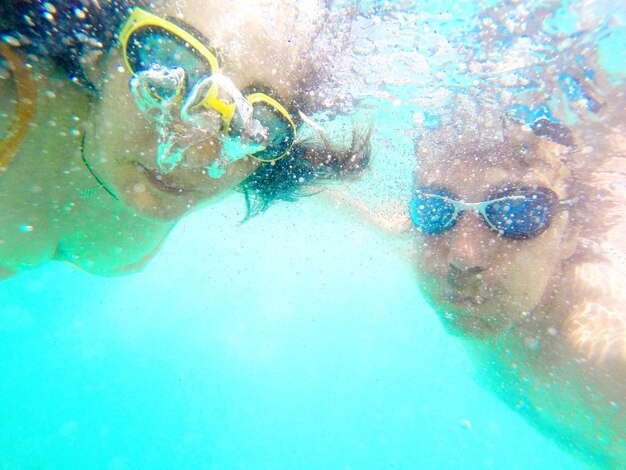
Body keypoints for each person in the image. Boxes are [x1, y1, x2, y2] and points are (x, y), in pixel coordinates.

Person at [0, 0, 370, 278]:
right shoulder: (11, 107)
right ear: (98, 57)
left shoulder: (243, 161)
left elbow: (322, 194)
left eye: (259, 121)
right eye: (166, 65)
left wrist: (391, 229)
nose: (197, 152)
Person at [409, 93, 626, 468]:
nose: (462, 258)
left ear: (570, 232)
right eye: (435, 210)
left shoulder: (608, 357)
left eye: (515, 213)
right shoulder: (430, 249)